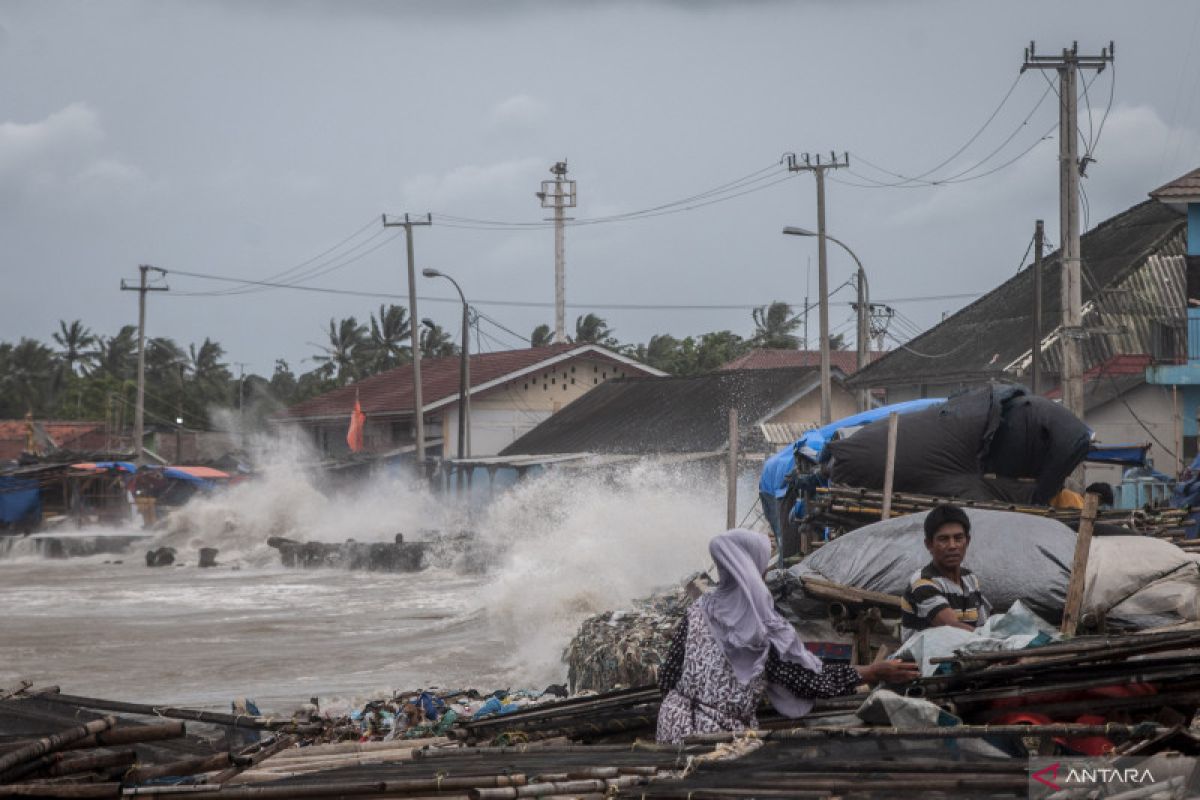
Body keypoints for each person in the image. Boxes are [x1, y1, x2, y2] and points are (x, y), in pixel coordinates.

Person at [656, 529, 919, 744]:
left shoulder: (698, 610)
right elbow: (808, 682)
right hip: (716, 739)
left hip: (672, 727)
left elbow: (667, 678)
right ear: (754, 566)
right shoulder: (762, 625)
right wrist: (873, 672)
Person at [900, 504, 992, 642]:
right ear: (929, 544)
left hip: (962, 654)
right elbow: (950, 627)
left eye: (958, 538)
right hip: (923, 661)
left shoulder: (970, 579)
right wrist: (996, 640)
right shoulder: (923, 582)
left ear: (967, 542)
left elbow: (983, 625)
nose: (952, 546)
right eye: (943, 539)